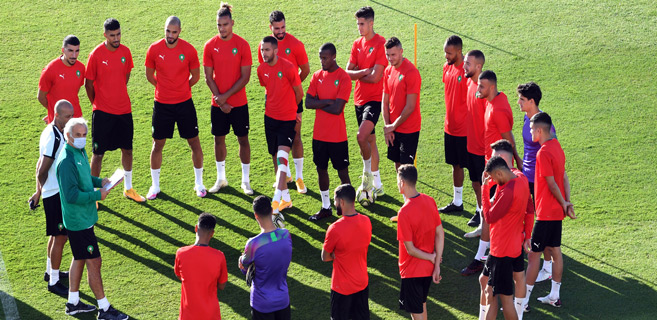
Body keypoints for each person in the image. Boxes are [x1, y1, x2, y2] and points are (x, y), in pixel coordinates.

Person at [56, 118, 127, 320]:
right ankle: (104, 309)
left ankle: (73, 303)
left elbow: (84, 177)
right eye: (77, 135)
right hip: (78, 222)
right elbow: (70, 196)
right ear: (68, 136)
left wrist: (100, 181)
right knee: (94, 261)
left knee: (79, 258)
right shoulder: (67, 161)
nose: (82, 139)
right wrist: (97, 195)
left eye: (84, 135)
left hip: (84, 218)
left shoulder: (78, 152)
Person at [145, 16, 205, 199]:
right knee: (157, 144)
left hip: (184, 103)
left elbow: (195, 76)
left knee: (194, 142)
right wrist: (164, 89)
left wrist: (181, 88)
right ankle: (155, 186)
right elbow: (150, 75)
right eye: (167, 31)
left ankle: (199, 183)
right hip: (162, 105)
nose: (170, 35)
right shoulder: (154, 49)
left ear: (179, 31)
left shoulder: (188, 50)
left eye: (174, 32)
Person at [85, 18, 144, 203]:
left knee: (127, 150)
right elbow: (88, 84)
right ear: (105, 35)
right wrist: (98, 103)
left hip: (124, 111)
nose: (116, 38)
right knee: (98, 154)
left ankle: (128, 188)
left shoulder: (126, 52)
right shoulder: (95, 54)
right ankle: (94, 194)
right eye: (112, 35)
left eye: (118, 34)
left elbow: (125, 76)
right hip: (102, 113)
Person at [475, 141, 534, 319]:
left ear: (500, 172)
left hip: (502, 251)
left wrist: (485, 190)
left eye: (493, 177)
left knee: (497, 297)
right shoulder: (520, 177)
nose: (493, 181)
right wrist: (527, 236)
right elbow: (530, 210)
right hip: (514, 245)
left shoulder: (507, 192)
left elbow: (489, 217)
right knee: (485, 282)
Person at [523, 112, 576, 310]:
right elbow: (564, 178)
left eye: (531, 129)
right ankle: (554, 296)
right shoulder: (557, 147)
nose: (530, 133)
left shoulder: (543, 152)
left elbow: (552, 183)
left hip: (545, 212)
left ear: (539, 130)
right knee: (555, 251)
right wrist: (566, 203)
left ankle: (523, 301)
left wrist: (563, 202)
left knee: (534, 256)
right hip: (556, 212)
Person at [204, 2, 254, 195]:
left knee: (243, 139)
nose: (222, 28)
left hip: (238, 103)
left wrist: (224, 98)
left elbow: (245, 77)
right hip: (218, 104)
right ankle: (220, 178)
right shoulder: (210, 45)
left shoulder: (242, 45)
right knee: (219, 140)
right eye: (219, 25)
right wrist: (221, 101)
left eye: (225, 24)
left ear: (232, 23)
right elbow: (208, 77)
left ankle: (245, 181)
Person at [258, 10, 310, 193]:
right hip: (272, 102)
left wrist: (290, 88)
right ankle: (284, 176)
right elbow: (265, 71)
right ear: (270, 27)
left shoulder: (296, 44)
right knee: (275, 144)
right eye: (277, 28)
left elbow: (305, 69)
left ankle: (299, 177)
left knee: (295, 137)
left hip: (294, 100)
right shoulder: (265, 47)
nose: (281, 31)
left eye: (283, 27)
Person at [28, 100, 74, 296]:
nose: (70, 120)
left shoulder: (51, 131)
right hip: (55, 193)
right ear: (56, 115)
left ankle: (50, 271)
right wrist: (40, 192)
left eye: (72, 116)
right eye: (67, 117)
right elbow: (43, 168)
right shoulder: (54, 137)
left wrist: (39, 190)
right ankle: (54, 282)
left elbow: (40, 163)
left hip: (53, 191)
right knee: (61, 237)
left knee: (56, 235)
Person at [257, 36, 303, 223]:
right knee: (276, 157)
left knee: (282, 156)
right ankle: (286, 199)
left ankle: (276, 199)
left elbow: (299, 93)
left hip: (287, 120)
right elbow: (268, 89)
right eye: (262, 50)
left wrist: (293, 111)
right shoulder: (261, 69)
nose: (264, 53)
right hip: (270, 119)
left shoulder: (289, 68)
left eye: (267, 50)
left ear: (276, 50)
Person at [305, 43, 352, 221]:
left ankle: (347, 208)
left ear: (333, 56)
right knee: (321, 169)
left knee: (342, 172)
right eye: (320, 58)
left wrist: (320, 102)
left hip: (338, 136)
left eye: (325, 58)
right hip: (319, 136)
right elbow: (308, 103)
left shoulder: (344, 78)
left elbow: (338, 109)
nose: (322, 61)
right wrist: (327, 102)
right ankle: (326, 207)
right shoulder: (317, 76)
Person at [517, 82, 556, 283]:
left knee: (543, 221)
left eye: (522, 100)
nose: (519, 103)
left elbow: (552, 150)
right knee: (530, 215)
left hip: (539, 180)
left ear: (532, 101)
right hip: (527, 177)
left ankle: (547, 266)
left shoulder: (543, 123)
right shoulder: (526, 119)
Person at [346, 6, 387, 196]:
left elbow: (376, 77)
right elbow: (348, 73)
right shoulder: (357, 44)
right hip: (359, 99)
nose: (359, 28)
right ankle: (377, 184)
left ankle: (366, 176)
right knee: (370, 139)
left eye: (362, 24)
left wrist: (358, 73)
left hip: (374, 100)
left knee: (361, 136)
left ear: (371, 23)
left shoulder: (381, 44)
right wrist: (363, 72)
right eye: (357, 24)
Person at [396, 164, 444, 320]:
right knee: (421, 307)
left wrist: (431, 258)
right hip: (427, 270)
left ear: (402, 183)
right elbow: (440, 233)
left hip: (412, 271)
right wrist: (436, 264)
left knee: (416, 313)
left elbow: (410, 249)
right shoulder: (429, 201)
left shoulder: (404, 212)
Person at [382, 37, 422, 221]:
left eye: (393, 54)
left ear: (401, 52)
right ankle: (407, 205)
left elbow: (410, 106)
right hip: (394, 129)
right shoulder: (388, 70)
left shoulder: (411, 73)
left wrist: (393, 126)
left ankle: (412, 208)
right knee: (398, 166)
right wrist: (388, 127)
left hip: (409, 130)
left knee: (406, 170)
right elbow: (385, 99)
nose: (390, 58)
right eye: (388, 55)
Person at [321, 184, 372, 319]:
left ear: (342, 202)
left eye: (335, 200)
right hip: (362, 283)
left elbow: (325, 257)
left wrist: (336, 254)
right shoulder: (366, 221)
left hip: (341, 288)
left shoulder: (335, 229)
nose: (334, 203)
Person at [239, 196, 293, 319]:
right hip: (283, 300)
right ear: (271, 210)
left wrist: (241, 262)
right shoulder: (286, 235)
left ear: (255, 215)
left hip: (262, 304)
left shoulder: (254, 244)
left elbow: (244, 269)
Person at [174, 213, 228, 320]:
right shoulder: (219, 256)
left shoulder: (181, 253)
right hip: (211, 315)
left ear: (196, 228)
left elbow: (179, 275)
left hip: (187, 315)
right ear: (212, 233)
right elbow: (221, 286)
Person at [439, 35, 470, 215]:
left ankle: (479, 210)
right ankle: (457, 202)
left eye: (449, 53)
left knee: (475, 170)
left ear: (459, 52)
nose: (446, 56)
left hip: (465, 130)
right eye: (445, 52)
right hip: (449, 128)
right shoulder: (447, 68)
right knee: (455, 165)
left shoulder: (467, 72)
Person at [463, 50, 486, 228]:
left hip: (483, 148)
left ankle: (486, 216)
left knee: (484, 184)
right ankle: (480, 211)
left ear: (478, 67)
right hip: (470, 144)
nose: (464, 66)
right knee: (475, 182)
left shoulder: (483, 90)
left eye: (468, 64)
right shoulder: (469, 84)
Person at [38, 35, 85, 124]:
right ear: (63, 50)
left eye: (77, 51)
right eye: (70, 51)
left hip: (76, 118)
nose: (74, 55)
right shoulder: (50, 70)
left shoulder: (81, 68)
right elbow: (41, 97)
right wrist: (54, 111)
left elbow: (74, 91)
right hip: (58, 122)